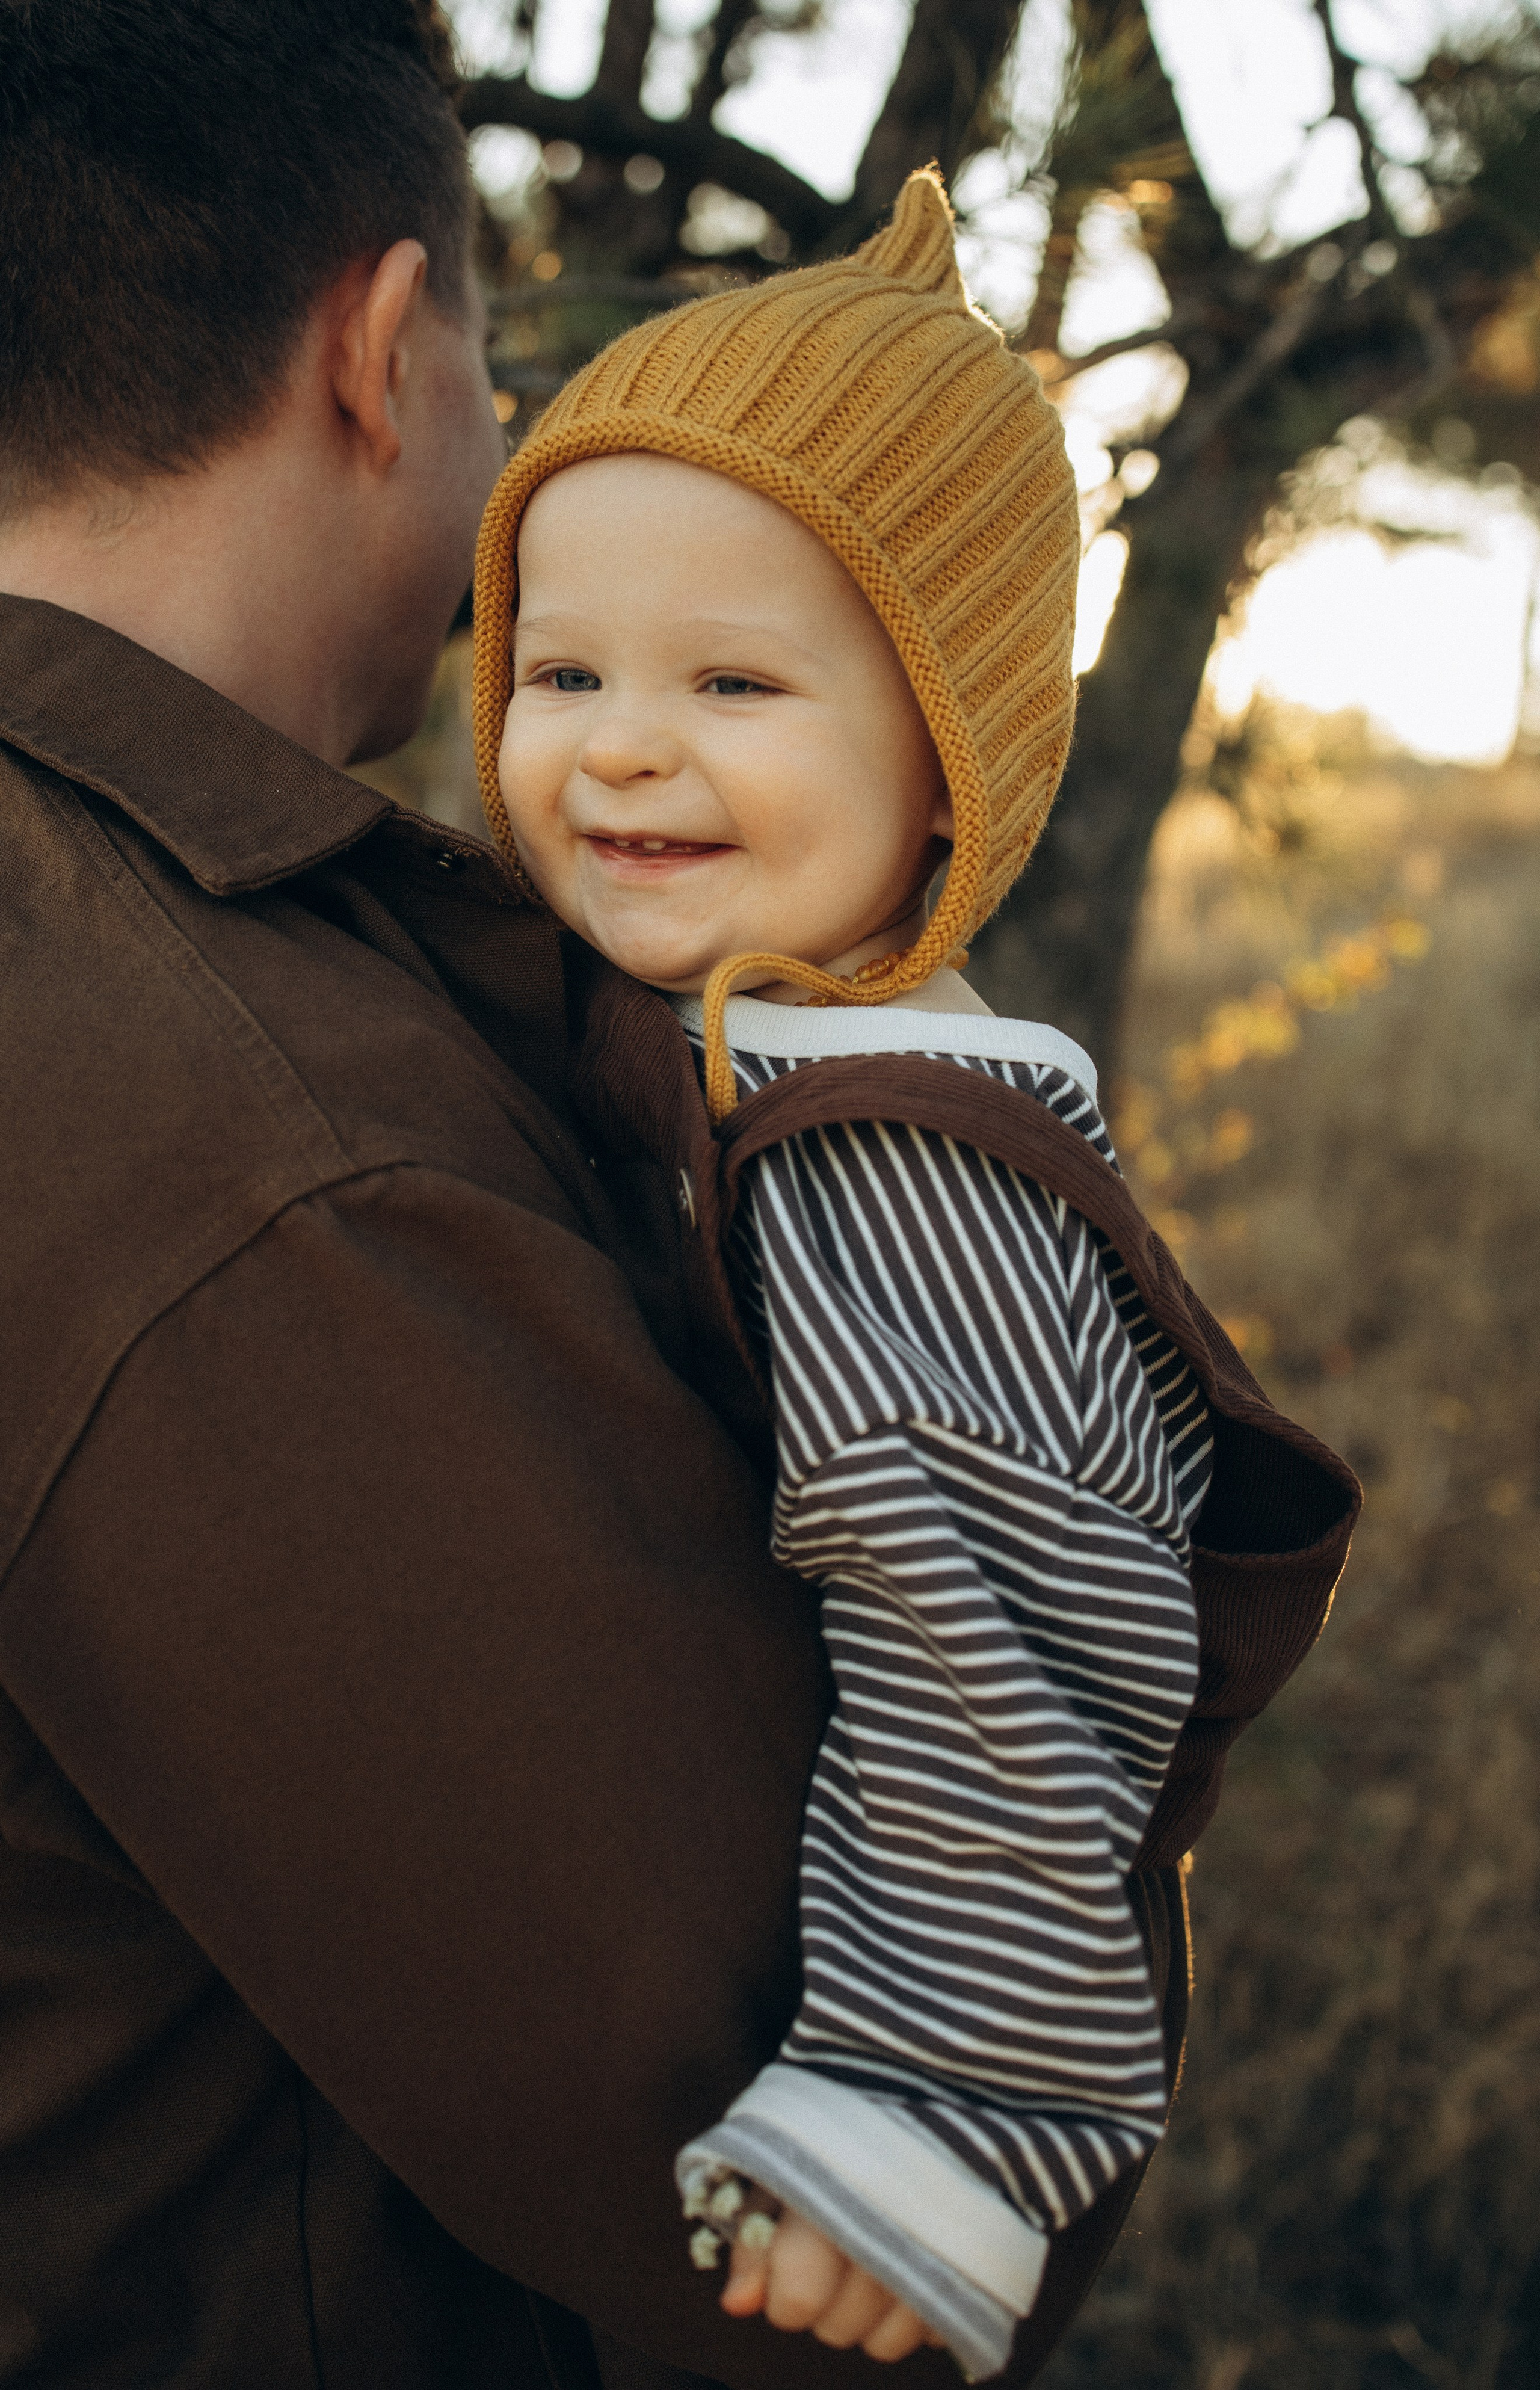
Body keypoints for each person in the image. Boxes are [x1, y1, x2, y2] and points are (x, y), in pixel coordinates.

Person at [470, 172, 1363, 2382]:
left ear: (952, 753)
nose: (621, 743)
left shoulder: (903, 1163)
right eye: (560, 667)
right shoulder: (732, 1006)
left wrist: (931, 2117)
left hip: (921, 2008)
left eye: (735, 680)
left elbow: (1022, 1633)